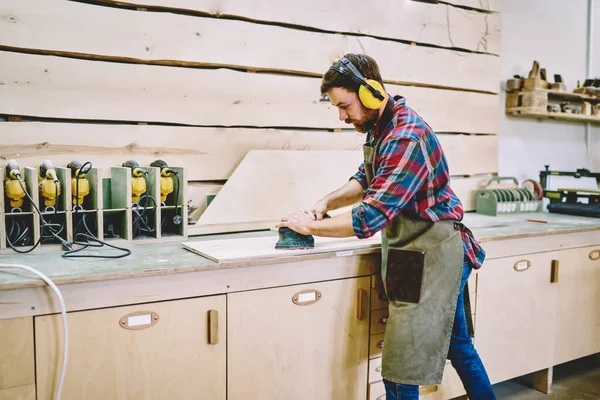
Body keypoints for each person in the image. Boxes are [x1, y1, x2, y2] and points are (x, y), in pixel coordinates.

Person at [277, 53, 496, 399]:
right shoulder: (382, 128)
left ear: (370, 94)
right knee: (460, 348)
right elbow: (367, 178)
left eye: (345, 106)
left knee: (400, 368)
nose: (341, 115)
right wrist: (325, 203)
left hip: (435, 255)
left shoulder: (405, 137)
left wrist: (310, 228)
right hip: (416, 253)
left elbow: (370, 216)